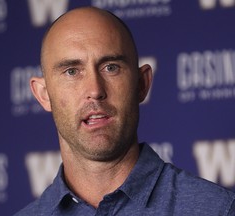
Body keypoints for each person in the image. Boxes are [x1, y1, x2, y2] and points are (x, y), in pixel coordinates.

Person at [14, 6, 235, 216]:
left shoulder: (218, 209)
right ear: (43, 94)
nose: (95, 90)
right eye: (72, 71)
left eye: (111, 67)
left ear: (141, 84)